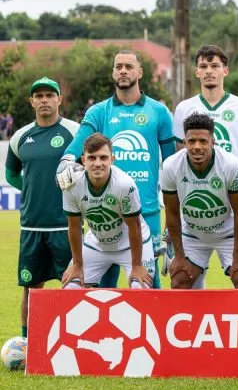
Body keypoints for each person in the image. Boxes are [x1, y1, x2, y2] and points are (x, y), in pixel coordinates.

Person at [56, 50, 175, 289]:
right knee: (102, 287)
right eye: (118, 66)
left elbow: (172, 165)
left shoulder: (159, 112)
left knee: (148, 284)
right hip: (106, 211)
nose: (123, 70)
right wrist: (67, 159)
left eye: (129, 67)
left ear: (139, 72)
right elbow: (80, 139)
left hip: (147, 212)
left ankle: (152, 328)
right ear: (113, 72)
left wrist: (173, 220)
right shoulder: (99, 111)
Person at [7, 78, 80, 337]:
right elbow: (11, 174)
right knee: (31, 289)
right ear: (32, 102)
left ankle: (74, 338)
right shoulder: (20, 137)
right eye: (39, 96)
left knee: (72, 286)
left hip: (65, 225)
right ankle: (28, 342)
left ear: (59, 99)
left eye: (50, 95)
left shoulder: (74, 131)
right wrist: (31, 189)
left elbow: (88, 167)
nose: (44, 100)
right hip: (31, 226)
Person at [160, 113, 238, 289]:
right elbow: (172, 212)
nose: (197, 147)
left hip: (229, 233)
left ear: (213, 142)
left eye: (203, 141)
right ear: (184, 142)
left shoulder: (230, 165)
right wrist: (179, 256)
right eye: (192, 141)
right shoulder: (171, 166)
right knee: (179, 281)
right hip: (193, 234)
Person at [61, 134, 155, 289]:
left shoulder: (125, 185)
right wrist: (77, 264)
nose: (98, 163)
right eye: (92, 158)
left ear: (112, 159)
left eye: (103, 158)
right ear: (84, 160)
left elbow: (134, 226)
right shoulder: (72, 184)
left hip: (132, 246)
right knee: (70, 288)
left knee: (140, 288)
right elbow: (74, 226)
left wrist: (137, 265)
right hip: (97, 244)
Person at [173, 45, 238, 179]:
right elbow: (180, 154)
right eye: (203, 66)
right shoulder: (183, 108)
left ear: (225, 70)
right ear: (197, 72)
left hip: (232, 190)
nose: (209, 71)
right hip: (197, 189)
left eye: (214, 66)